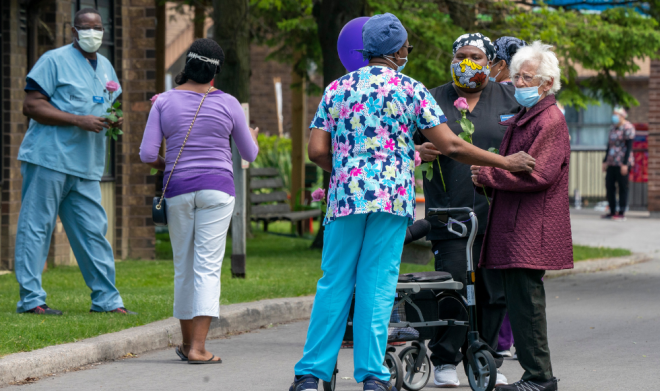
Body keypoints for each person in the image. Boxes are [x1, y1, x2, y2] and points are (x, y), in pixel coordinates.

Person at [290, 14, 535, 391]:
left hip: (344, 199)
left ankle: (310, 374)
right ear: (399, 50)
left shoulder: (336, 89)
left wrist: (349, 170)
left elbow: (317, 151)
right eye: (407, 47)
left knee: (334, 283)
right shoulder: (410, 89)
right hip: (389, 200)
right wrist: (504, 161)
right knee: (377, 285)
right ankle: (372, 376)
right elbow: (452, 144)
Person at [140, 38, 259, 364]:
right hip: (218, 192)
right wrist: (255, 137)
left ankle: (185, 343)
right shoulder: (229, 103)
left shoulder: (163, 102)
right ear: (214, 73)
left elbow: (148, 154)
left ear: (187, 66)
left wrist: (173, 163)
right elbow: (248, 153)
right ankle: (198, 349)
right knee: (206, 267)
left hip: (177, 190)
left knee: (184, 268)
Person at [414, 33, 521, 388]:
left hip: (499, 214)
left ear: (490, 63)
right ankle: (444, 358)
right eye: (461, 54)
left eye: (476, 56)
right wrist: (419, 151)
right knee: (453, 285)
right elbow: (404, 142)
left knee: (494, 291)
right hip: (450, 210)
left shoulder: (510, 98)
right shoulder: (431, 98)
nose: (468, 62)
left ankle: (485, 358)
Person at [16, 8, 133, 315]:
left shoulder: (106, 66)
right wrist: (77, 120)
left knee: (93, 231)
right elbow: (31, 105)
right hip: (49, 158)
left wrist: (115, 119)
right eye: (85, 28)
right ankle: (31, 301)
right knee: (36, 228)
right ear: (73, 31)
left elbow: (111, 103)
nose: (92, 34)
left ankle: (107, 302)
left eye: (97, 28)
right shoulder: (53, 60)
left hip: (86, 164)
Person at [471, 41, 570, 391]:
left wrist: (487, 174)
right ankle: (534, 375)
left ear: (546, 83)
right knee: (519, 302)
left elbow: (540, 175)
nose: (518, 84)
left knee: (526, 305)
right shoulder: (529, 114)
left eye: (526, 78)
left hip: (531, 228)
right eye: (515, 77)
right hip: (517, 226)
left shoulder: (550, 119)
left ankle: (540, 378)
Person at [492, 36, 528, 361]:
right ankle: (507, 340)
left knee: (510, 268)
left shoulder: (520, 98)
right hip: (498, 190)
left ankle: (507, 340)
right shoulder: (488, 97)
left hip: (513, 191)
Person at [602, 107, 635, 221]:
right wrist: (604, 161)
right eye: (613, 114)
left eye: (616, 114)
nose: (614, 117)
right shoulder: (613, 128)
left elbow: (629, 147)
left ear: (622, 115)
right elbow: (609, 145)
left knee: (622, 187)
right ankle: (612, 210)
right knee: (609, 185)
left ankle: (621, 212)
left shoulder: (628, 127)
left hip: (622, 162)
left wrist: (625, 164)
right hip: (611, 162)